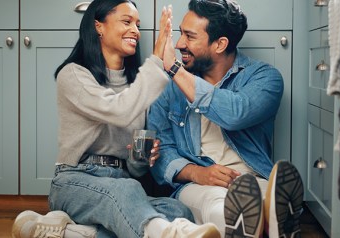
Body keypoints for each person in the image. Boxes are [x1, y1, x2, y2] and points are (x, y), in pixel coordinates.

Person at [12, 0, 221, 237]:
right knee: (126, 192)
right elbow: (119, 111)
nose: (135, 30)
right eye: (127, 21)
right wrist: (156, 60)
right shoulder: (73, 75)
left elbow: (135, 168)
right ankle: (166, 235)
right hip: (76, 181)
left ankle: (66, 232)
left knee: (176, 210)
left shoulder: (138, 87)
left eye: (137, 24)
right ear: (99, 26)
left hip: (122, 182)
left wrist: (142, 157)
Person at [147, 0, 304, 237]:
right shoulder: (168, 88)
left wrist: (174, 69)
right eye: (180, 34)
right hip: (198, 184)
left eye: (189, 36)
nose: (179, 44)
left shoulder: (265, 78)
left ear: (220, 44)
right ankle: (262, 227)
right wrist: (197, 173)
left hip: (252, 179)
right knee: (217, 205)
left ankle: (269, 221)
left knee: (265, 199)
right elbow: (160, 154)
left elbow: (234, 113)